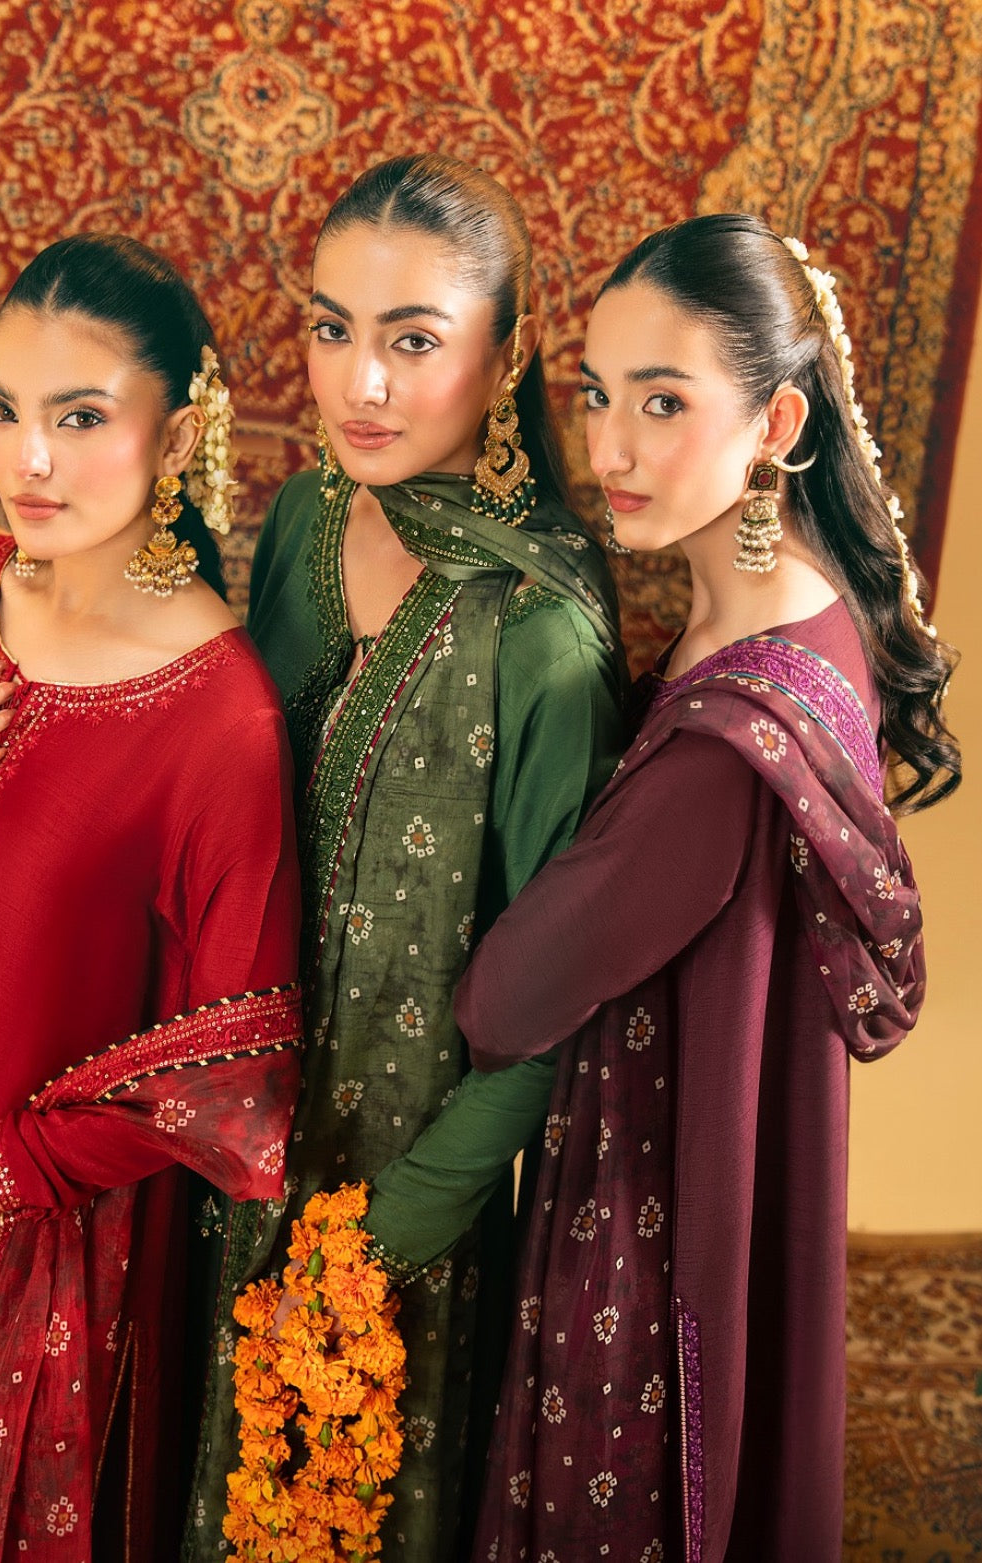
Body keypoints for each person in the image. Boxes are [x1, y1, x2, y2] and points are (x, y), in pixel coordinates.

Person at [454, 213, 960, 1562]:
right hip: (700, 1171)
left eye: (663, 403)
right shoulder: (793, 603)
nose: (610, 451)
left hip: (660, 1226)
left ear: (776, 422)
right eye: (597, 394)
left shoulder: (727, 746)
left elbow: (504, 1002)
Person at [0, 234, 303, 1562]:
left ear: (177, 434)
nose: (26, 460)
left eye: (80, 419)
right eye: (2, 410)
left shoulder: (221, 722)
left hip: (1, 1247)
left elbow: (238, 1067)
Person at [183, 154, 626, 1562]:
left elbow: (561, 999)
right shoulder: (307, 521)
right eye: (332, 329)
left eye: (414, 341)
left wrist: (382, 1243)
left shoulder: (543, 635)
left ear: (507, 355)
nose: (358, 384)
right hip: (221, 1145)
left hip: (392, 1209)